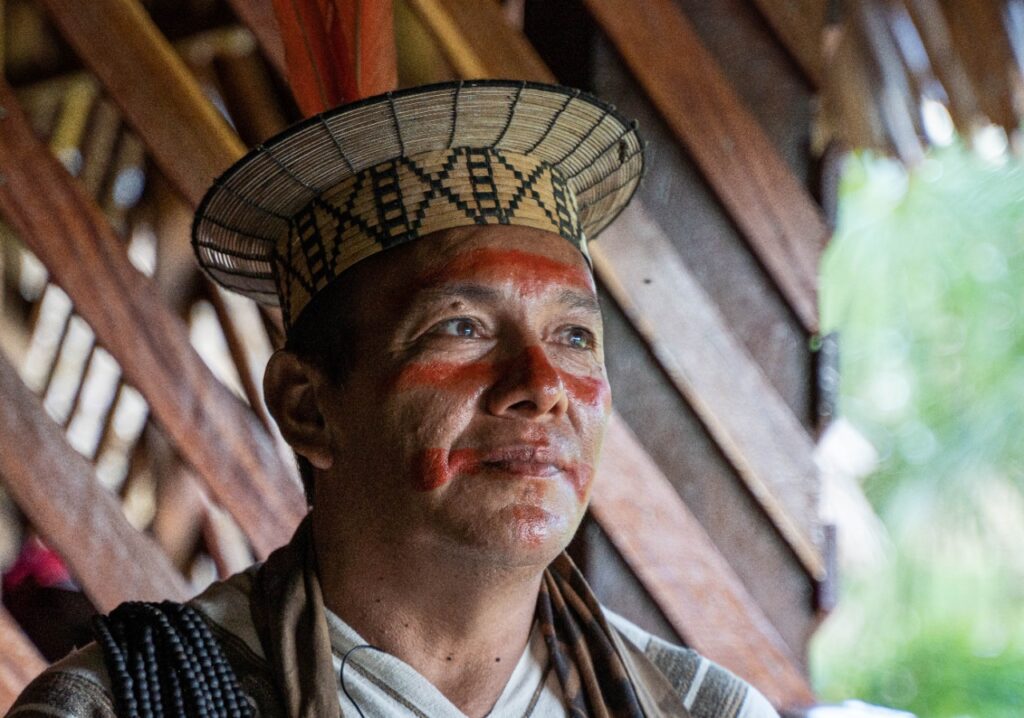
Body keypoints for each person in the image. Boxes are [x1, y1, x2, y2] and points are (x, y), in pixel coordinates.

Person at [8, 80, 779, 718]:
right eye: (462, 327)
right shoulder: (123, 706)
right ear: (308, 408)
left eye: (574, 336)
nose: (543, 387)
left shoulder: (700, 709)